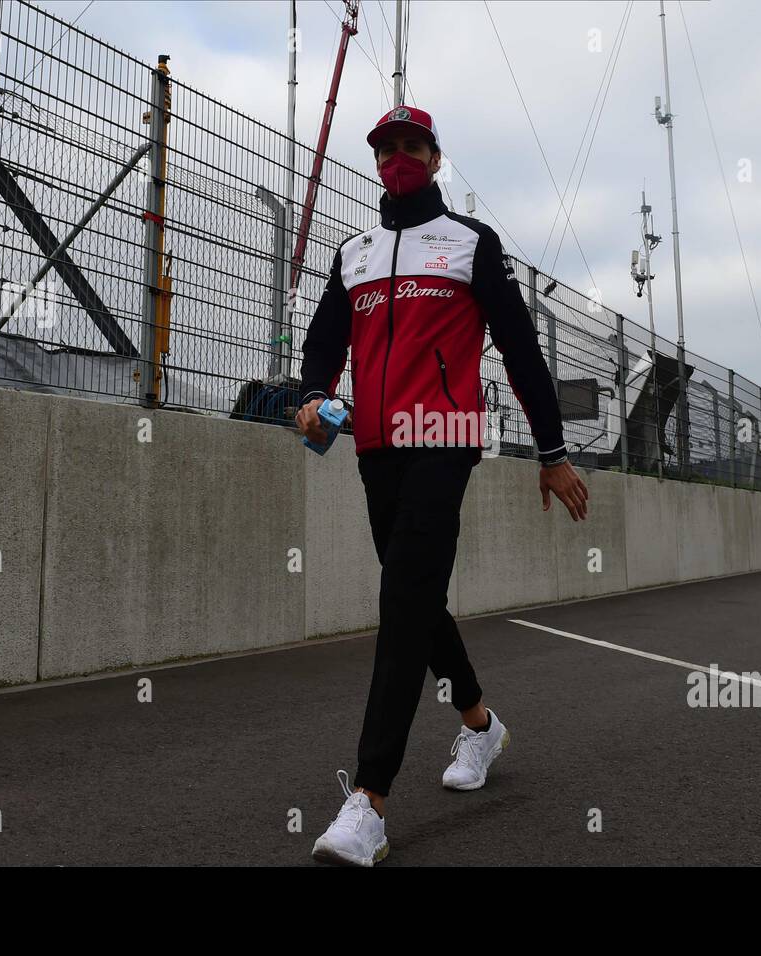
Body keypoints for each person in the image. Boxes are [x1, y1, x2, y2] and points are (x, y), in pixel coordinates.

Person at [295, 105, 590, 867]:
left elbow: (522, 348)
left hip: (445, 437)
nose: (398, 157)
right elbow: (325, 340)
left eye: (411, 146)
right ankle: (481, 723)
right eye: (386, 148)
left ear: (434, 155)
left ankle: (368, 802)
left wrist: (552, 451)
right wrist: (308, 395)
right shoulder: (352, 252)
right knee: (414, 595)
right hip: (372, 446)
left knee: (401, 604)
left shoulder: (470, 243)